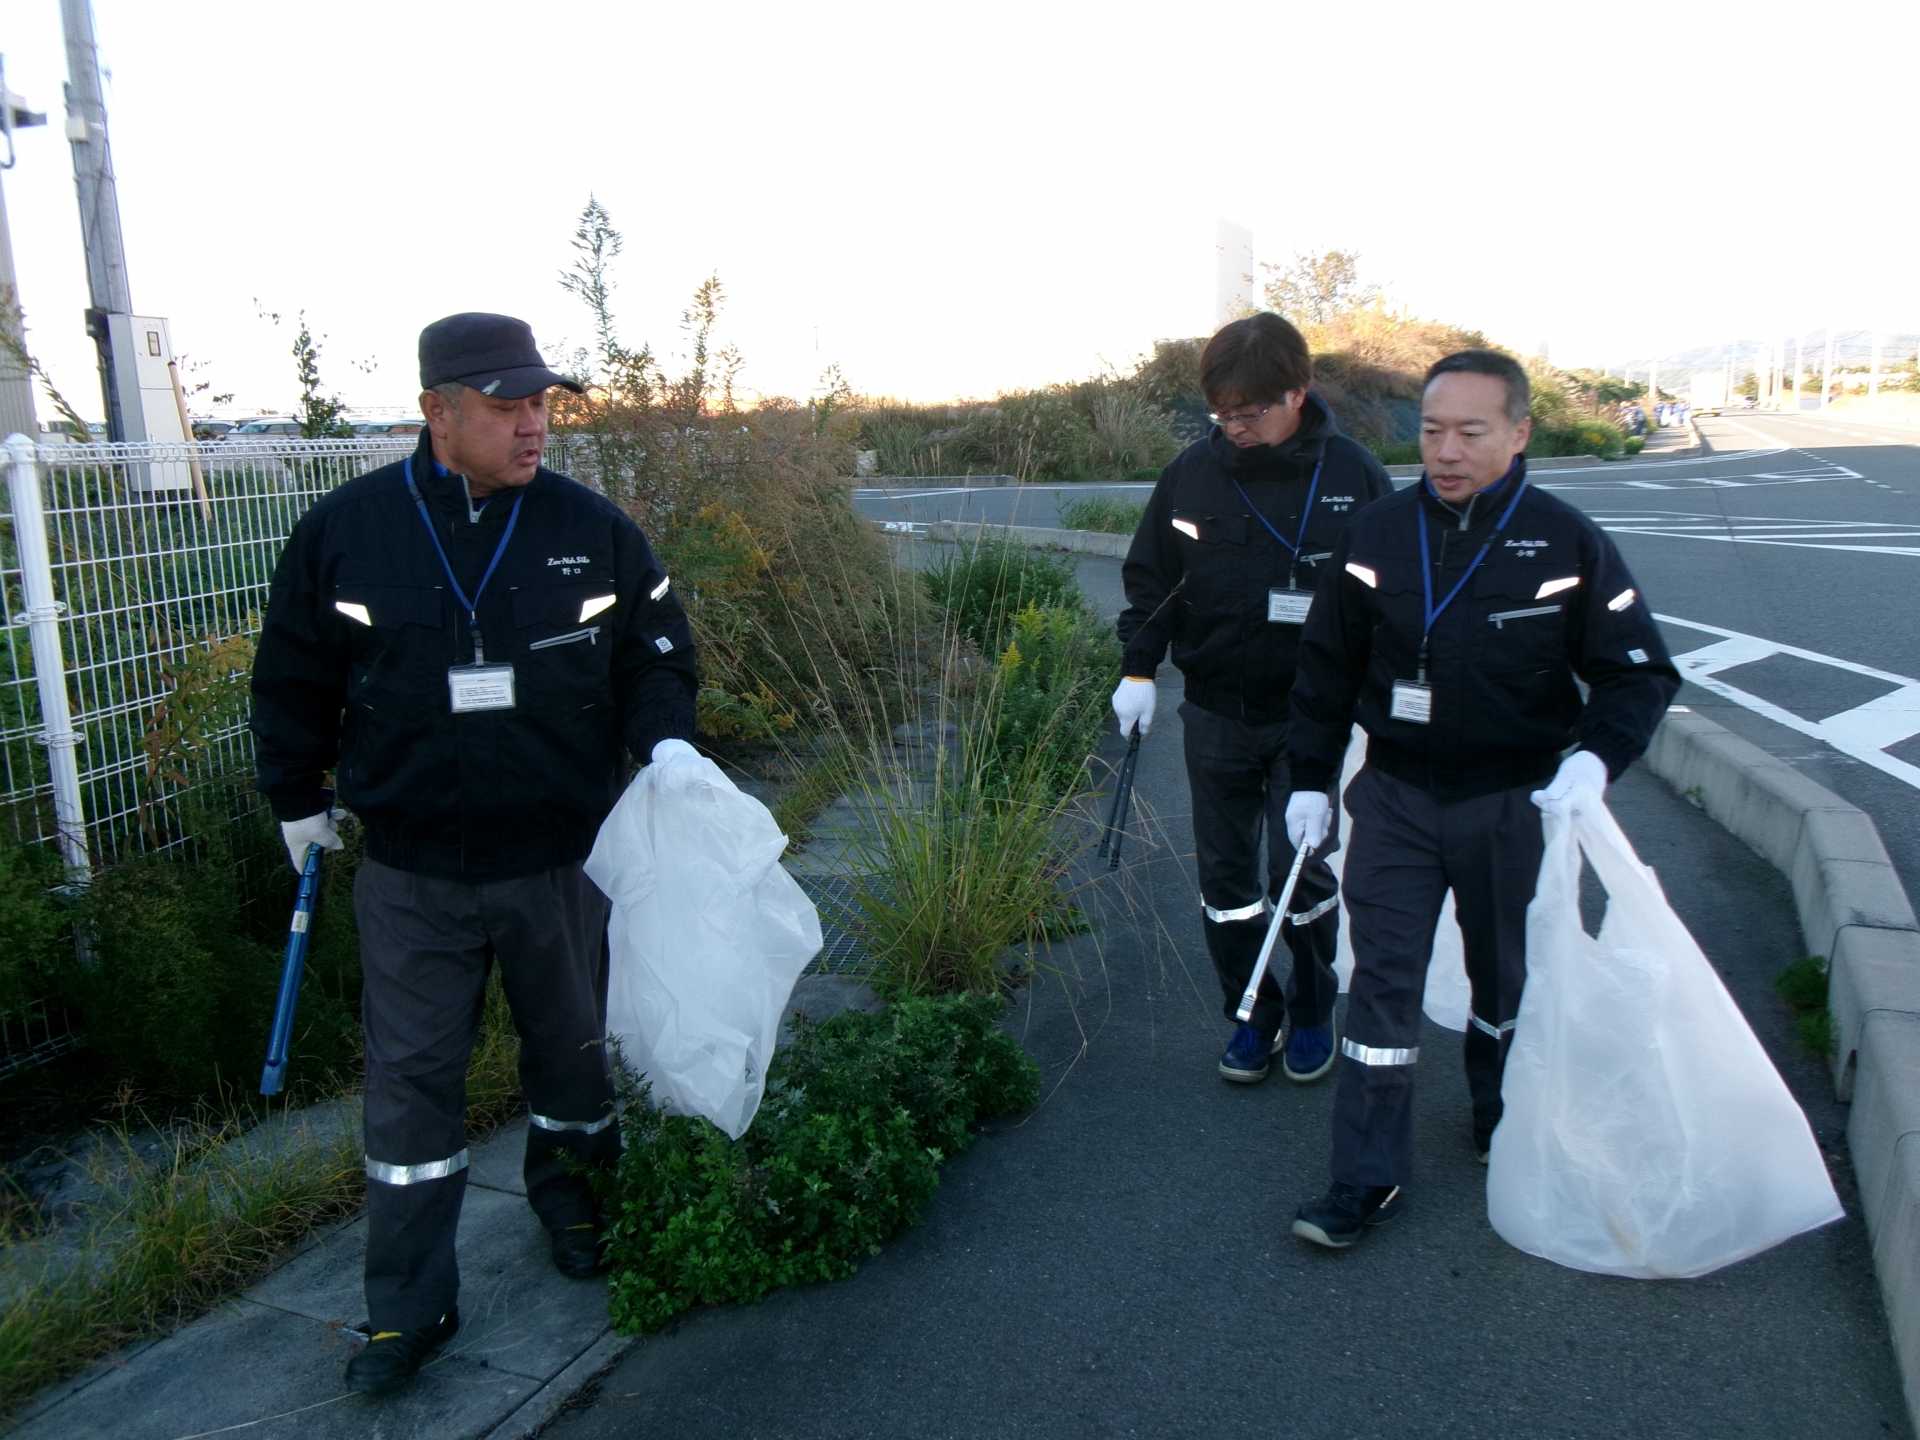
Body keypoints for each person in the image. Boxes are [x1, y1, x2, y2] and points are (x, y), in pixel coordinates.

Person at [250, 312, 700, 1393]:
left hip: (559, 857)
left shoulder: (591, 528)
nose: (532, 425)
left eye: (541, 403)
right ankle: (407, 1308)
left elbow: (657, 652)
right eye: (505, 407)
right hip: (413, 872)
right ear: (436, 413)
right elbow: (292, 674)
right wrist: (294, 798)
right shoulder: (348, 532)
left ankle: (578, 1209)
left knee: (574, 1055)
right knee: (409, 1091)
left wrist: (669, 743)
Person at [1282, 348, 1679, 1248]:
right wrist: (1311, 780)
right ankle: (1365, 1176)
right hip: (1395, 796)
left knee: (1509, 978)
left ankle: (1503, 1117)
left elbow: (1638, 673)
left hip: (1513, 802)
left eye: (1471, 431)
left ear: (1519, 432)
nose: (1447, 450)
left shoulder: (1566, 540)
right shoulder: (1378, 533)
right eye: (1430, 430)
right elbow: (1325, 669)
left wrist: (1595, 760)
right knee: (1380, 982)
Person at [1115, 313, 1391, 1085]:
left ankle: (1309, 1010)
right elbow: (1153, 580)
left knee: (1301, 877)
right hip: (1215, 712)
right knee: (1228, 885)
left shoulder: (1354, 476)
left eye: (1249, 413)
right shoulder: (1190, 476)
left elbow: (1391, 600)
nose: (1232, 428)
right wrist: (1140, 667)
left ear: (1297, 393)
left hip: (1314, 725)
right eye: (1221, 414)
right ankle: (1251, 1011)